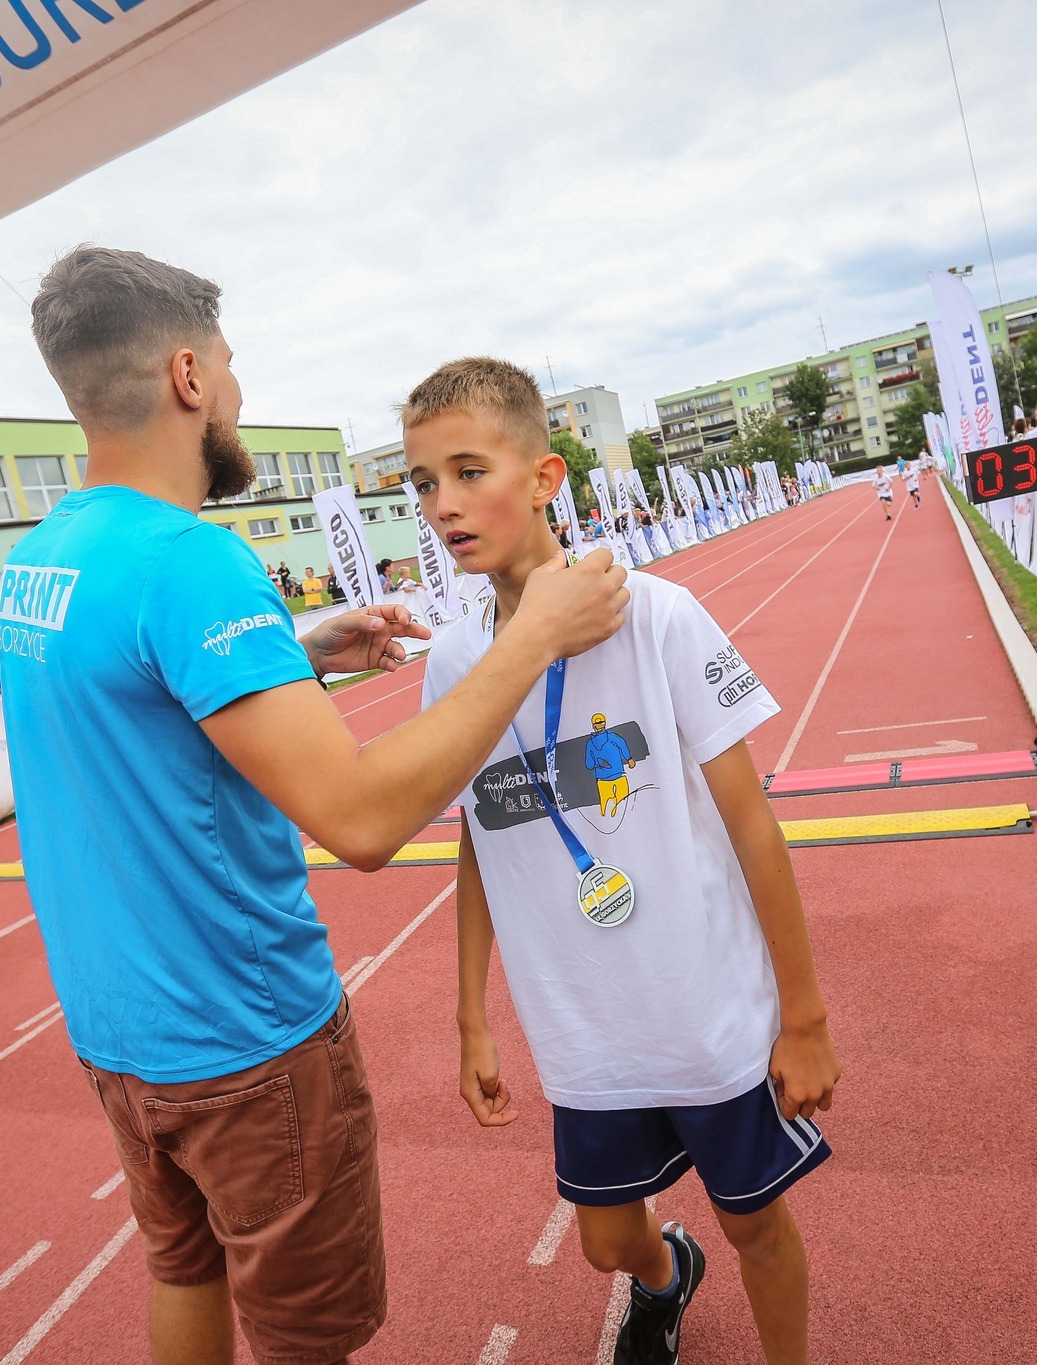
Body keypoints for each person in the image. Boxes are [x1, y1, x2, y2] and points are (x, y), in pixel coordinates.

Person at [4, 246, 628, 1365]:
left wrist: (298, 652)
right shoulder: (188, 560)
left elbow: (128, 701)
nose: (238, 395)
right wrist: (531, 632)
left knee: (181, 1266)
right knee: (306, 1336)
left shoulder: (44, 554)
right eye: (232, 369)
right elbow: (361, 819)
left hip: (117, 1033)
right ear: (188, 375)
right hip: (242, 1037)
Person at [404, 357, 839, 1365]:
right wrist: (470, 1012)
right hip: (582, 1025)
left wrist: (804, 1017)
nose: (443, 505)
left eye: (469, 472)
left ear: (547, 477)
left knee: (755, 1223)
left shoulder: (657, 616)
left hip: (704, 1008)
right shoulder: (454, 663)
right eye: (423, 483)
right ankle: (663, 1274)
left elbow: (751, 825)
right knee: (605, 1239)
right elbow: (477, 836)